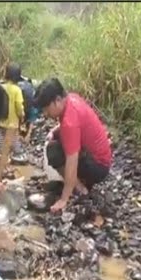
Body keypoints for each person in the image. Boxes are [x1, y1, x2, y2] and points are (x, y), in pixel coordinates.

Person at [34, 78, 113, 213]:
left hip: (98, 166)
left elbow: (72, 162)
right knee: (59, 138)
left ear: (58, 100)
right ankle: (80, 182)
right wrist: (54, 131)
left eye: (47, 109)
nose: (45, 114)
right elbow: (75, 123)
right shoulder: (72, 98)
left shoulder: (69, 123)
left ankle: (80, 189)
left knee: (53, 151)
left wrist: (64, 199)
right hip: (102, 158)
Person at [0, 63, 28, 179]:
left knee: (2, 137)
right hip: (12, 121)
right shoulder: (17, 90)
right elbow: (19, 106)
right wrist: (22, 115)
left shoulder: (1, 87)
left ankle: (2, 154)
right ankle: (18, 154)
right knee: (14, 139)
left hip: (1, 120)